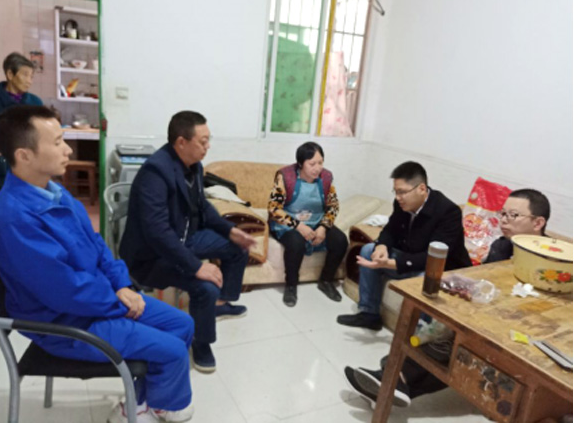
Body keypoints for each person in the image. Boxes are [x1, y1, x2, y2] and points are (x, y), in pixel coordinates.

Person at [0, 106, 194, 423]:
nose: (68, 150)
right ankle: (139, 409)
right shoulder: (13, 218)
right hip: (64, 322)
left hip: (95, 302)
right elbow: (63, 290)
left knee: (182, 325)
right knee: (174, 351)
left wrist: (122, 285)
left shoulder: (54, 192)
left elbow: (96, 245)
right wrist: (118, 302)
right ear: (24, 155)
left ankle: (145, 403)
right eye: (57, 142)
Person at [344, 188, 551, 409]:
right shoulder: (501, 245)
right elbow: (484, 283)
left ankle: (391, 380)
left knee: (452, 343)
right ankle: (394, 382)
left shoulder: (551, 259)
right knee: (443, 331)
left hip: (521, 327)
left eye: (513, 215)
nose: (504, 220)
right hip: (485, 315)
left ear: (538, 222)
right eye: (503, 213)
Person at [120, 111, 256, 374]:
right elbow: (157, 233)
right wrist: (196, 266)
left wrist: (229, 231)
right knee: (205, 286)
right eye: (203, 141)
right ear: (181, 142)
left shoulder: (195, 166)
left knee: (238, 248)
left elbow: (202, 207)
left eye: (208, 140)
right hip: (154, 255)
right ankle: (201, 342)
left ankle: (219, 305)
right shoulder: (155, 172)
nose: (208, 146)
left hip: (185, 238)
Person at [337, 161, 472, 330]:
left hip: (439, 269)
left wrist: (392, 263)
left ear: (421, 189)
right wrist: (381, 246)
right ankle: (369, 314)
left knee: (427, 278)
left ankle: (418, 334)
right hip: (409, 257)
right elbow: (390, 229)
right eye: (396, 192)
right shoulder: (401, 204)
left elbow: (432, 258)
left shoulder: (447, 212)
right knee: (368, 250)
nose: (398, 197)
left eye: (402, 192)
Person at [267, 142, 348, 306]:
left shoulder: (326, 178)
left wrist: (323, 227)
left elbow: (333, 206)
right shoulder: (285, 177)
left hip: (316, 221)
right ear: (300, 163)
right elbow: (273, 208)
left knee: (340, 241)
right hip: (288, 224)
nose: (317, 168)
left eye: (320, 163)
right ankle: (291, 285)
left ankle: (326, 280)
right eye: (312, 164)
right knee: (296, 242)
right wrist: (299, 226)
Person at [0, 53, 42, 216]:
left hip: (29, 174)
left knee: (28, 218)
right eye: (25, 75)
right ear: (10, 74)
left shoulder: (35, 103)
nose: (29, 80)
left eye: (31, 76)